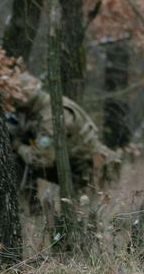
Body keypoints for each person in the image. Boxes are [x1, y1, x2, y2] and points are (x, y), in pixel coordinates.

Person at [8, 73, 121, 201]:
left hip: (90, 172)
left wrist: (18, 146)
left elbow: (41, 159)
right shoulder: (43, 105)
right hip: (82, 167)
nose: (14, 103)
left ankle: (31, 212)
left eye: (16, 99)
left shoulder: (50, 116)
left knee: (18, 160)